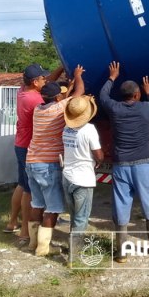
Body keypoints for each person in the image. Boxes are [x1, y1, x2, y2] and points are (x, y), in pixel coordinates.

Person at [99, 61, 149, 263]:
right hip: (143, 163)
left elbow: (103, 97)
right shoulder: (146, 109)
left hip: (121, 164)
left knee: (121, 204)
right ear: (137, 95)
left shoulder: (115, 108)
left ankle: (122, 252)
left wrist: (112, 77)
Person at [26, 65, 85, 256]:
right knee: (53, 207)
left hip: (31, 162)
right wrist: (77, 77)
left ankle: (32, 242)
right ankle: (44, 248)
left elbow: (64, 97)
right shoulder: (59, 110)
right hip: (48, 165)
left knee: (37, 203)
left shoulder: (39, 109)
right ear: (58, 98)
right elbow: (79, 94)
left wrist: (68, 86)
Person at [8, 63, 63, 247]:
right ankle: (25, 231)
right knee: (29, 191)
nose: (45, 80)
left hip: (21, 143)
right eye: (42, 78)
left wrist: (62, 66)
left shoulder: (23, 90)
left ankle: (12, 221)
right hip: (29, 147)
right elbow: (52, 100)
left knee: (22, 184)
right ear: (34, 82)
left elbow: (48, 86)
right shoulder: (35, 101)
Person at [62, 95, 104, 252]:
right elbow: (98, 155)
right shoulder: (89, 130)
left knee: (74, 216)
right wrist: (99, 160)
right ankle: (75, 254)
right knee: (81, 218)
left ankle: (72, 245)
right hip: (83, 179)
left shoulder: (66, 129)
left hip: (67, 176)